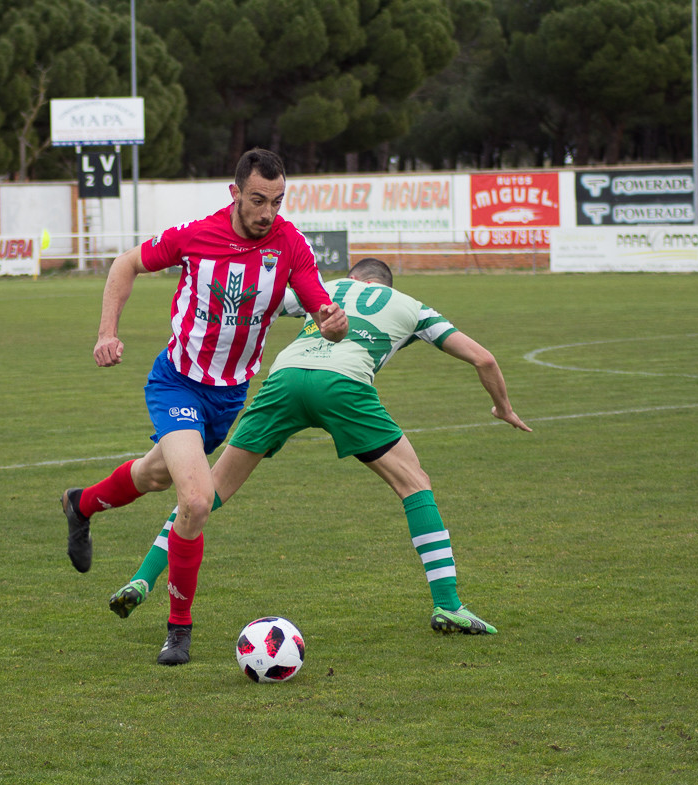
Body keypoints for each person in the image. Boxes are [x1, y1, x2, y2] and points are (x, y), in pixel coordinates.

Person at [107, 258, 531, 644]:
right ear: (384, 284)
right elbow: (484, 359)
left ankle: (142, 580)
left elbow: (261, 306)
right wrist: (503, 407)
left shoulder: (327, 288)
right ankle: (448, 605)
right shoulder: (414, 306)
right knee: (414, 484)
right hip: (342, 385)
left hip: (285, 378)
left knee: (207, 491)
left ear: (353, 279)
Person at [61, 148, 348, 665]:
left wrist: (331, 319)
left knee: (153, 475)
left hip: (228, 397)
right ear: (234, 192)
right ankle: (179, 629)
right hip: (176, 384)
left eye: (277, 201)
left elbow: (317, 300)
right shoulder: (197, 235)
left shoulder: (289, 245)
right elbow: (125, 263)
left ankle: (80, 505)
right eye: (258, 199)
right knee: (195, 500)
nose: (267, 212)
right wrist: (107, 332)